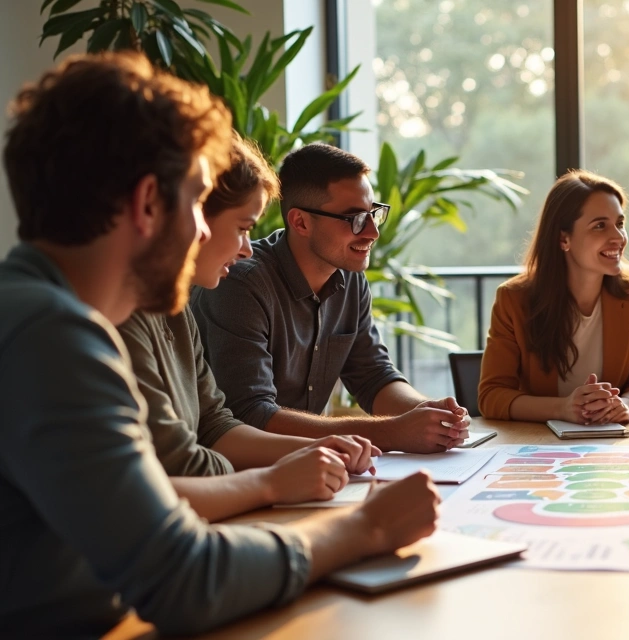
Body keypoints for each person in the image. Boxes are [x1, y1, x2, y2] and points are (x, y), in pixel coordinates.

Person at [0, 52, 439, 636]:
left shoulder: (44, 313)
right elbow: (188, 579)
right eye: (198, 202)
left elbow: (156, 494)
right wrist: (367, 530)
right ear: (148, 204)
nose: (208, 232)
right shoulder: (49, 337)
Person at [118, 137, 381, 521]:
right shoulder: (113, 319)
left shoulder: (173, 310)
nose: (246, 248)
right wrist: (273, 479)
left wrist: (315, 449)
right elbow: (180, 465)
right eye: (242, 227)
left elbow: (215, 423)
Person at [192, 142, 470, 453]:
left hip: (315, 466)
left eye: (372, 214)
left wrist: (430, 413)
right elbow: (251, 414)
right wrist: (390, 432)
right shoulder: (240, 283)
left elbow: (372, 375)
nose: (372, 233)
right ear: (301, 222)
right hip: (248, 467)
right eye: (354, 219)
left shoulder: (349, 277)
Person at [479, 170, 629, 423]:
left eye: (620, 224)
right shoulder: (514, 300)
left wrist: (626, 405)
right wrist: (562, 409)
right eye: (600, 226)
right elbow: (491, 396)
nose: (618, 238)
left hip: (612, 445)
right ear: (564, 238)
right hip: (538, 446)